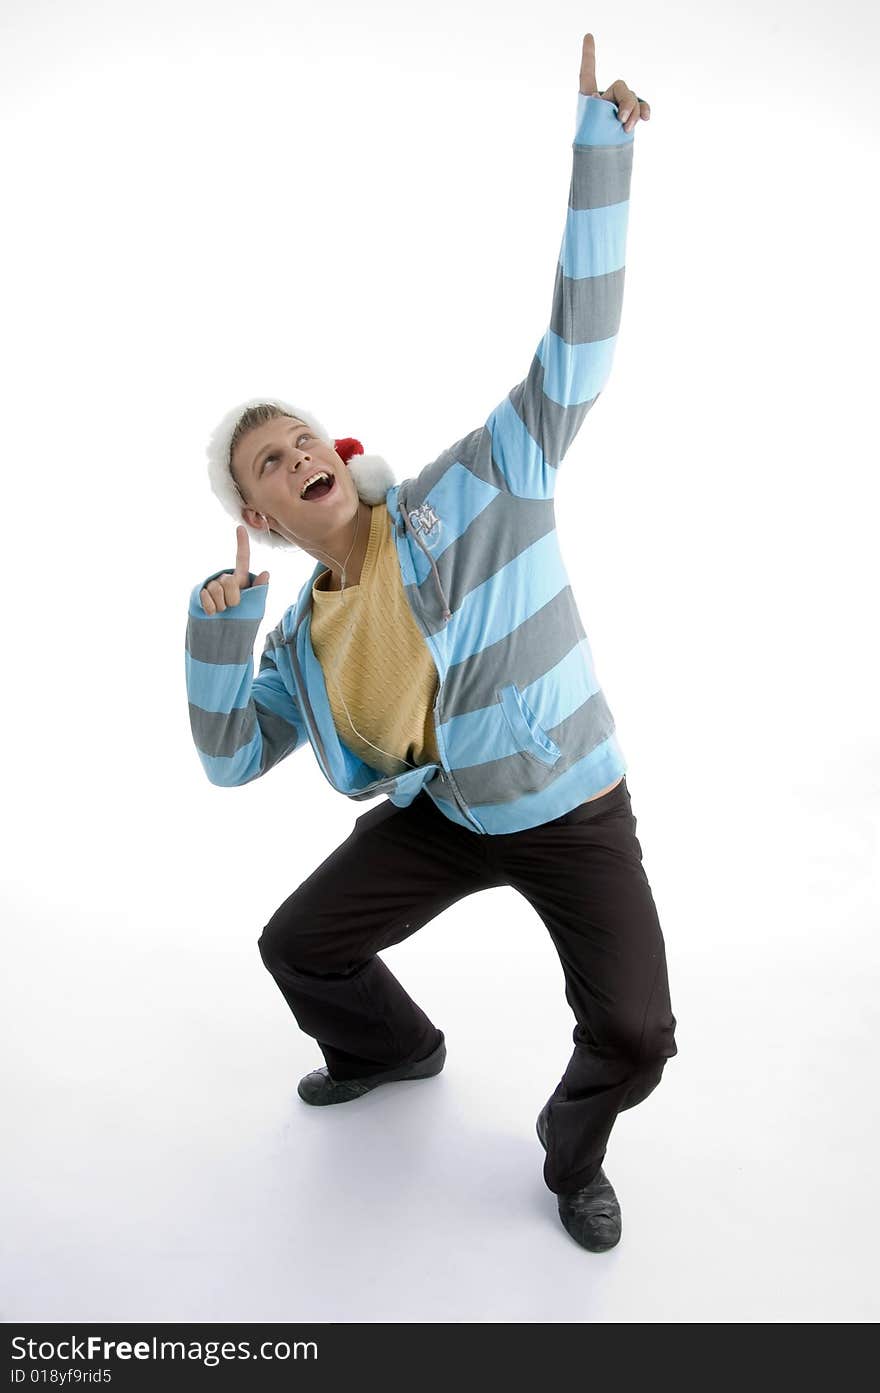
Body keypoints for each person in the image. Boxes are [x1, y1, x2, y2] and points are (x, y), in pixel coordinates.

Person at [184, 34, 677, 1253]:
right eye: (267, 466)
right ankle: (393, 1048)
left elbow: (576, 349)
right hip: (448, 813)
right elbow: (231, 759)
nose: (295, 457)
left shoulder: (475, 489)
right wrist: (220, 633)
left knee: (636, 1030)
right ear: (260, 516)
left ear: (337, 453)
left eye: (299, 437)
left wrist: (600, 152)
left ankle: (572, 1159)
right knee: (298, 944)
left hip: (570, 805)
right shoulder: (300, 636)